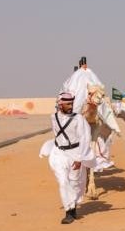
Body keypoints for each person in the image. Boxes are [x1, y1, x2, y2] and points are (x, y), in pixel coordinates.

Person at [39, 91, 96, 224]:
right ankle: (68, 212)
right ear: (60, 105)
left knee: (74, 183)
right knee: (63, 181)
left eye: (72, 103)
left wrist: (79, 158)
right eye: (68, 103)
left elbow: (85, 137)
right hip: (59, 154)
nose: (71, 106)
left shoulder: (79, 119)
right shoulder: (53, 117)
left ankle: (73, 207)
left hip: (75, 153)